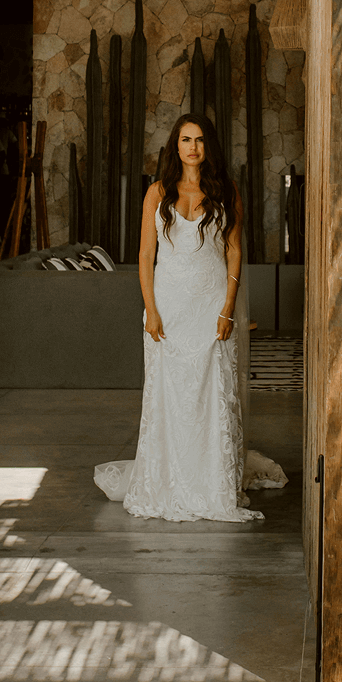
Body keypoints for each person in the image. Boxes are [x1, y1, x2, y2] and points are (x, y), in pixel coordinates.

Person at [94, 113, 262, 521]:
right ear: (175, 146)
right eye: (186, 140)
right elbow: (146, 255)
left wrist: (227, 306)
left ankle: (213, 484)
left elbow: (235, 250)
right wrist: (150, 309)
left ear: (209, 146)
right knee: (170, 396)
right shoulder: (157, 193)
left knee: (212, 395)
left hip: (211, 305)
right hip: (168, 308)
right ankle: (168, 480)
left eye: (200, 140)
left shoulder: (226, 190)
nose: (193, 147)